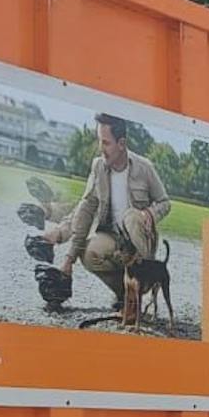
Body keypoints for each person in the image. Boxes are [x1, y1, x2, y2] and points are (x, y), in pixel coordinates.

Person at [43, 114, 172, 304]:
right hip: (114, 238)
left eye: (106, 143)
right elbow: (85, 210)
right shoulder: (98, 167)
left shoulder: (144, 168)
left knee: (131, 217)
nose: (101, 149)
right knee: (87, 252)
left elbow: (165, 203)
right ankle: (125, 293)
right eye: (99, 142)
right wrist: (69, 260)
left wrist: (150, 213)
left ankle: (144, 280)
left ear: (121, 143)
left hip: (140, 240)